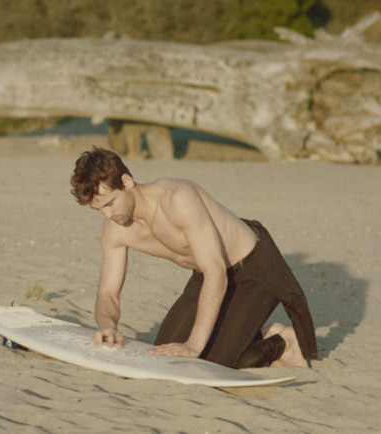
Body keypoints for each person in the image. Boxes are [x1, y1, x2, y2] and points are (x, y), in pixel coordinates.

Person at [70, 147, 317, 368]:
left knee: (214, 362)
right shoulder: (115, 229)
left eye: (111, 203)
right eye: (99, 209)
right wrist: (107, 326)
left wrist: (194, 345)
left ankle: (283, 341)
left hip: (251, 267)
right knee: (165, 353)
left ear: (127, 181)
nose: (108, 214)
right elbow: (108, 294)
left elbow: (216, 271)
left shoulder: (176, 197)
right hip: (206, 277)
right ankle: (247, 332)